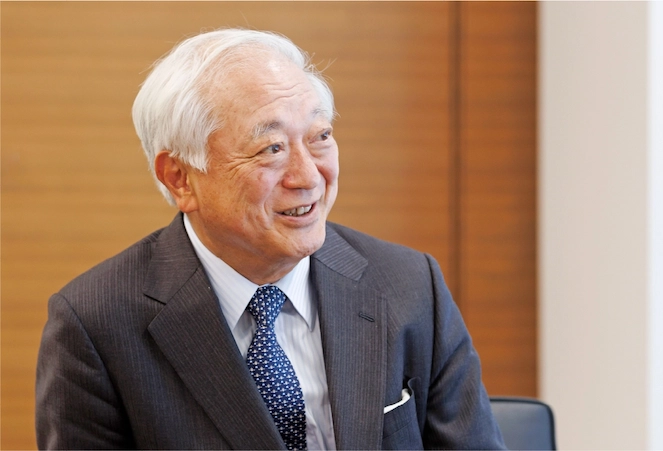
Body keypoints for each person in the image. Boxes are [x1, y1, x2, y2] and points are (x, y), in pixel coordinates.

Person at [35, 28, 505, 450]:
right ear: (180, 177)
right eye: (271, 148)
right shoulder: (96, 324)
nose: (309, 176)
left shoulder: (409, 284)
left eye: (320, 136)